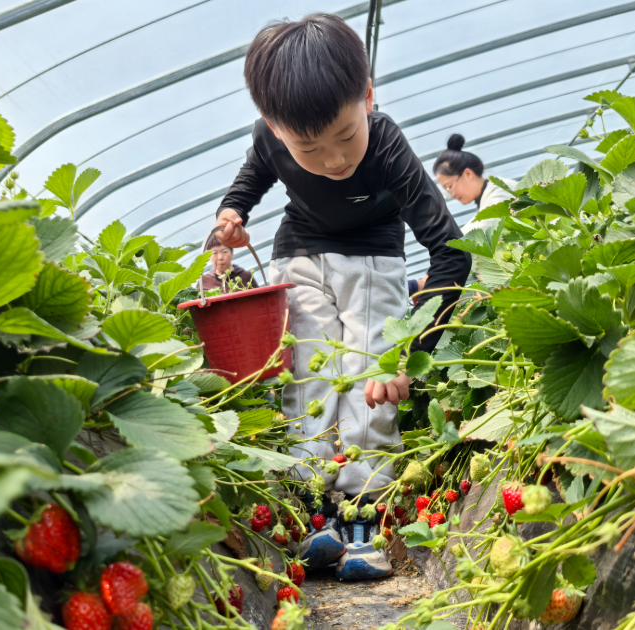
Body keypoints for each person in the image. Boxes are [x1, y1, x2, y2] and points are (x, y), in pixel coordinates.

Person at [211, 14, 470, 580]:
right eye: (308, 146)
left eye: (347, 136)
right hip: (297, 255)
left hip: (376, 262)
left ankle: (362, 522)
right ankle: (310, 516)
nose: (333, 160)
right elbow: (251, 178)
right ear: (275, 128)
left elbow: (451, 253)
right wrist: (231, 215)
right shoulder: (268, 140)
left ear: (368, 97)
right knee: (308, 380)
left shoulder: (389, 146)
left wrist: (414, 351)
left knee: (369, 383)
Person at [407, 134, 518, 303]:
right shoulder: (487, 199)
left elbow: (478, 230)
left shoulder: (501, 192)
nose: (451, 195)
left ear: (467, 174)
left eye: (449, 187)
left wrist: (427, 278)